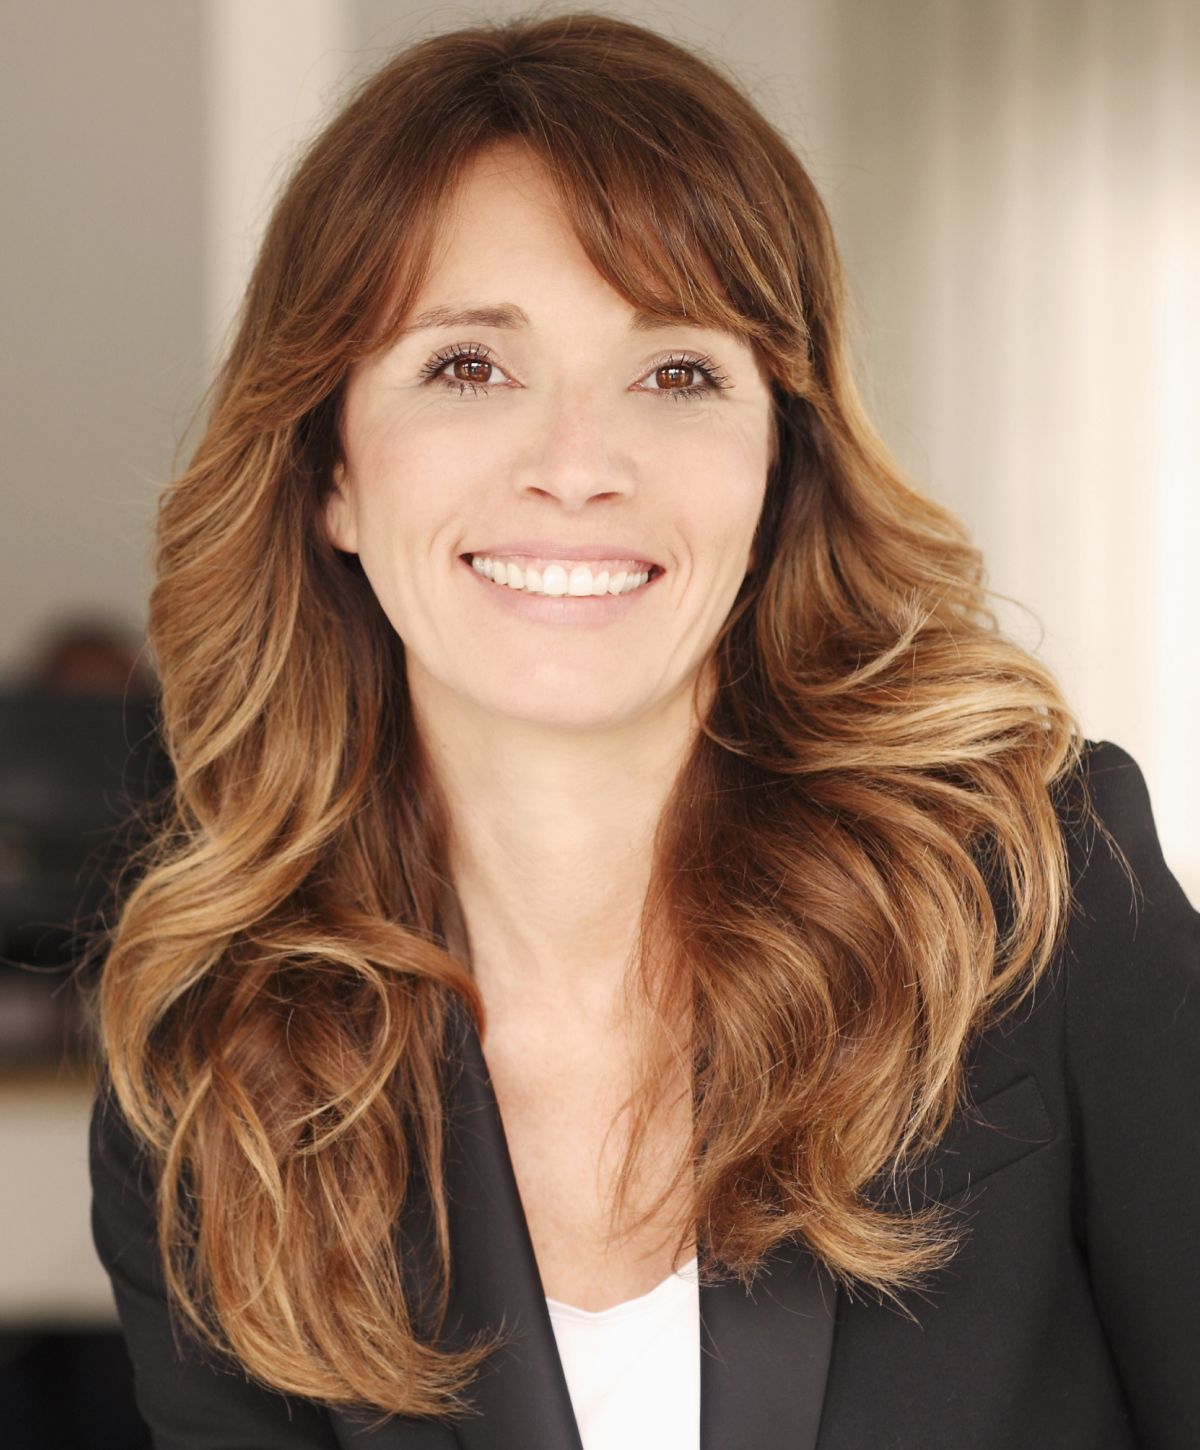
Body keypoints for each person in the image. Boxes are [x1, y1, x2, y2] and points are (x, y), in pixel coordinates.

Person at [88, 12, 1199, 1449]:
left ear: (778, 464)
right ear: (332, 473)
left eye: (676, 371)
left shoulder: (1031, 893)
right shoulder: (216, 1077)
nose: (577, 466)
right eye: (469, 366)